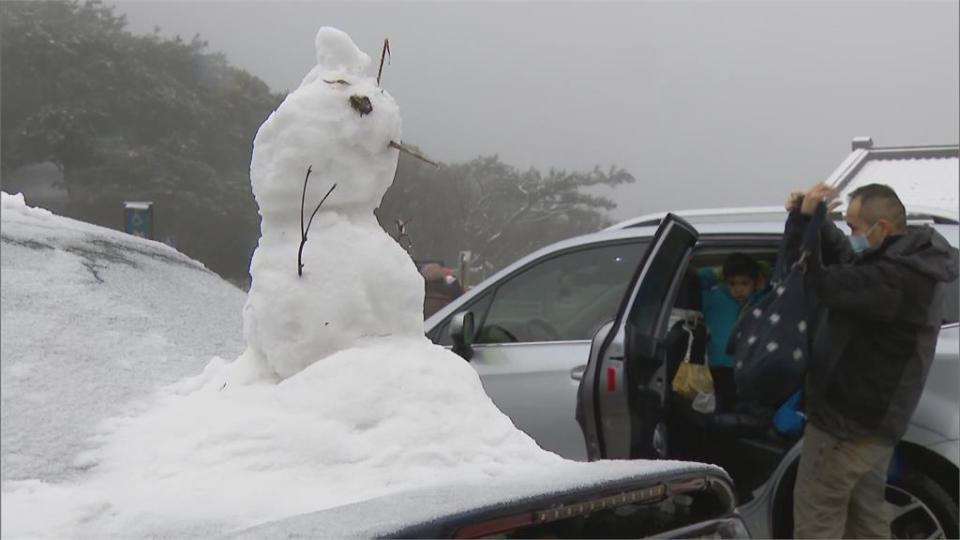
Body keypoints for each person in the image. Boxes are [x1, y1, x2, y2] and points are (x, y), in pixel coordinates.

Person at [786, 183, 958, 539]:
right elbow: (851, 260)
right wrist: (813, 216)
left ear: (882, 227)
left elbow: (816, 280)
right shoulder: (910, 260)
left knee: (817, 520)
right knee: (865, 523)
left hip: (845, 427)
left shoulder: (894, 279)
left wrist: (803, 224)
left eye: (854, 227)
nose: (851, 235)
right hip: (871, 426)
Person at [698, 253, 767, 411]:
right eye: (732, 283)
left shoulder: (761, 301)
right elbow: (697, 281)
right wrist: (716, 273)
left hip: (747, 369)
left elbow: (775, 286)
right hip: (717, 368)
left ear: (755, 283)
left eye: (744, 283)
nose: (738, 289)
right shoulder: (715, 299)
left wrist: (764, 274)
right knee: (718, 410)